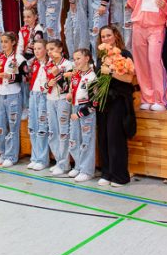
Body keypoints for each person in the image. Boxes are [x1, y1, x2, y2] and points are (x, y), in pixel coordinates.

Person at [95, 25, 135, 187]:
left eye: (108, 35)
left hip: (118, 100)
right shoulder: (101, 56)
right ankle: (106, 173)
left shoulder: (125, 54)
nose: (105, 39)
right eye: (103, 36)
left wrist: (111, 72)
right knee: (103, 137)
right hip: (103, 101)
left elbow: (129, 79)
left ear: (116, 36)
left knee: (115, 138)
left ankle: (119, 176)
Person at [0, 32, 27, 167]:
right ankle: (3, 153)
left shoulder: (19, 58)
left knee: (13, 126)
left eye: (6, 41)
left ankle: (12, 156)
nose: (3, 44)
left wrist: (10, 77)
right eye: (2, 42)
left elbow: (26, 77)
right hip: (1, 94)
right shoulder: (0, 58)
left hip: (14, 94)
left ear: (13, 43)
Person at [67, 48, 97, 182]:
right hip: (75, 108)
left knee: (87, 141)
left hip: (85, 112)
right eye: (74, 59)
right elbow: (73, 91)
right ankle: (78, 165)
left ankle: (87, 171)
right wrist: (70, 95)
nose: (76, 61)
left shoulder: (92, 77)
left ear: (87, 58)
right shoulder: (76, 75)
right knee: (74, 139)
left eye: (78, 58)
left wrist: (80, 114)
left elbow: (94, 103)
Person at [45, 39, 73, 176]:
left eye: (52, 49)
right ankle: (58, 161)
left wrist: (57, 74)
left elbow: (67, 87)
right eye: (48, 50)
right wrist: (48, 84)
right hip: (50, 99)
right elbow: (45, 85)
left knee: (63, 132)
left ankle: (64, 163)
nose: (50, 52)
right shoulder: (48, 64)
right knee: (52, 132)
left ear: (61, 49)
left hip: (63, 100)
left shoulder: (68, 65)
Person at [26, 39, 49, 171]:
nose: (36, 51)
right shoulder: (35, 63)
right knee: (32, 126)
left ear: (46, 49)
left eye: (39, 48)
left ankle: (42, 159)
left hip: (43, 96)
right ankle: (35, 157)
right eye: (35, 49)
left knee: (42, 127)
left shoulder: (49, 64)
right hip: (33, 95)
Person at [17, 7, 44, 121]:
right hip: (25, 60)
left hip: (36, 59)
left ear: (35, 17)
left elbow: (37, 49)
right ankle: (25, 106)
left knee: (28, 77)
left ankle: (30, 106)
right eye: (24, 17)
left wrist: (27, 63)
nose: (26, 19)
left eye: (29, 17)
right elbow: (20, 47)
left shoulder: (39, 30)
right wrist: (19, 60)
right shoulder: (22, 30)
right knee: (21, 75)